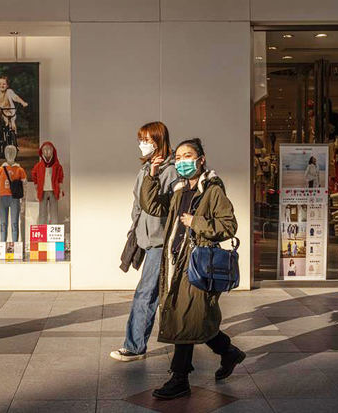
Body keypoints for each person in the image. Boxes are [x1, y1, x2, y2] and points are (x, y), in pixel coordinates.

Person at [140, 138, 245, 400]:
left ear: (201, 159)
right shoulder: (178, 190)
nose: (182, 160)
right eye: (179, 156)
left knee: (185, 317)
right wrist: (152, 175)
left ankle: (179, 379)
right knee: (191, 318)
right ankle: (229, 352)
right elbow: (152, 205)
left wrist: (195, 221)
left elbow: (228, 225)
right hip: (176, 263)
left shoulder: (212, 191)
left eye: (188, 155)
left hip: (198, 264)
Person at [110, 121, 178, 362]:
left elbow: (160, 208)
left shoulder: (170, 171)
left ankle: (135, 346)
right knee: (149, 293)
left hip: (160, 242)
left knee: (146, 294)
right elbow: (138, 205)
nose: (143, 144)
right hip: (145, 238)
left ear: (159, 141)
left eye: (148, 140)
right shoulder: (146, 167)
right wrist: (135, 232)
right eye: (141, 140)